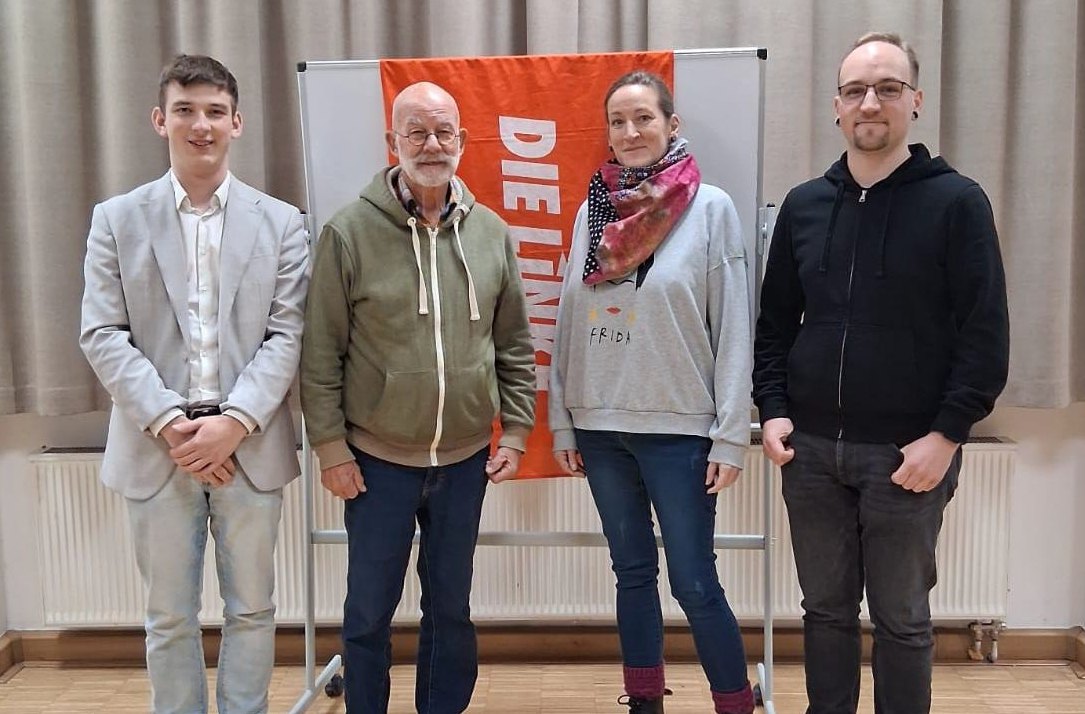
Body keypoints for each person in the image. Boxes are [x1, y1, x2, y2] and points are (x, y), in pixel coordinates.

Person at [753, 32, 1010, 714]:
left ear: (914, 101)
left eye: (887, 89)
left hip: (907, 456)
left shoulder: (957, 203)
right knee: (824, 613)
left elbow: (985, 336)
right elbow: (773, 324)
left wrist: (945, 436)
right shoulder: (805, 205)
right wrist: (773, 409)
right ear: (836, 106)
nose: (870, 103)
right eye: (855, 91)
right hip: (810, 453)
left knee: (901, 620)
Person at [79, 54, 309, 714]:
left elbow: (287, 335)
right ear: (161, 120)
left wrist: (232, 424)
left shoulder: (281, 222)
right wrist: (171, 425)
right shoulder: (116, 219)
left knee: (253, 609)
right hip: (157, 447)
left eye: (214, 111)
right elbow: (101, 332)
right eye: (185, 110)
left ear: (237, 123)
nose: (200, 124)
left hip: (250, 446)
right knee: (169, 617)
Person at [299, 81, 536, 714]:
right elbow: (320, 352)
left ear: (462, 140)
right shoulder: (347, 233)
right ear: (393, 141)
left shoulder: (492, 233)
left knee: (450, 609)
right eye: (416, 132)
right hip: (376, 463)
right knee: (368, 611)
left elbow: (514, 344)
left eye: (443, 132)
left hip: (464, 461)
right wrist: (330, 449)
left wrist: (515, 432)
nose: (432, 145)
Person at [549, 70, 755, 714]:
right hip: (600, 428)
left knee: (694, 583)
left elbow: (734, 328)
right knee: (632, 575)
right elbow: (567, 319)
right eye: (618, 121)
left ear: (672, 124)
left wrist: (730, 434)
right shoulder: (593, 208)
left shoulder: (711, 207)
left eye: (643, 117)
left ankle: (734, 704)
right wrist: (562, 420)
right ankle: (644, 701)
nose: (630, 131)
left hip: (680, 432)